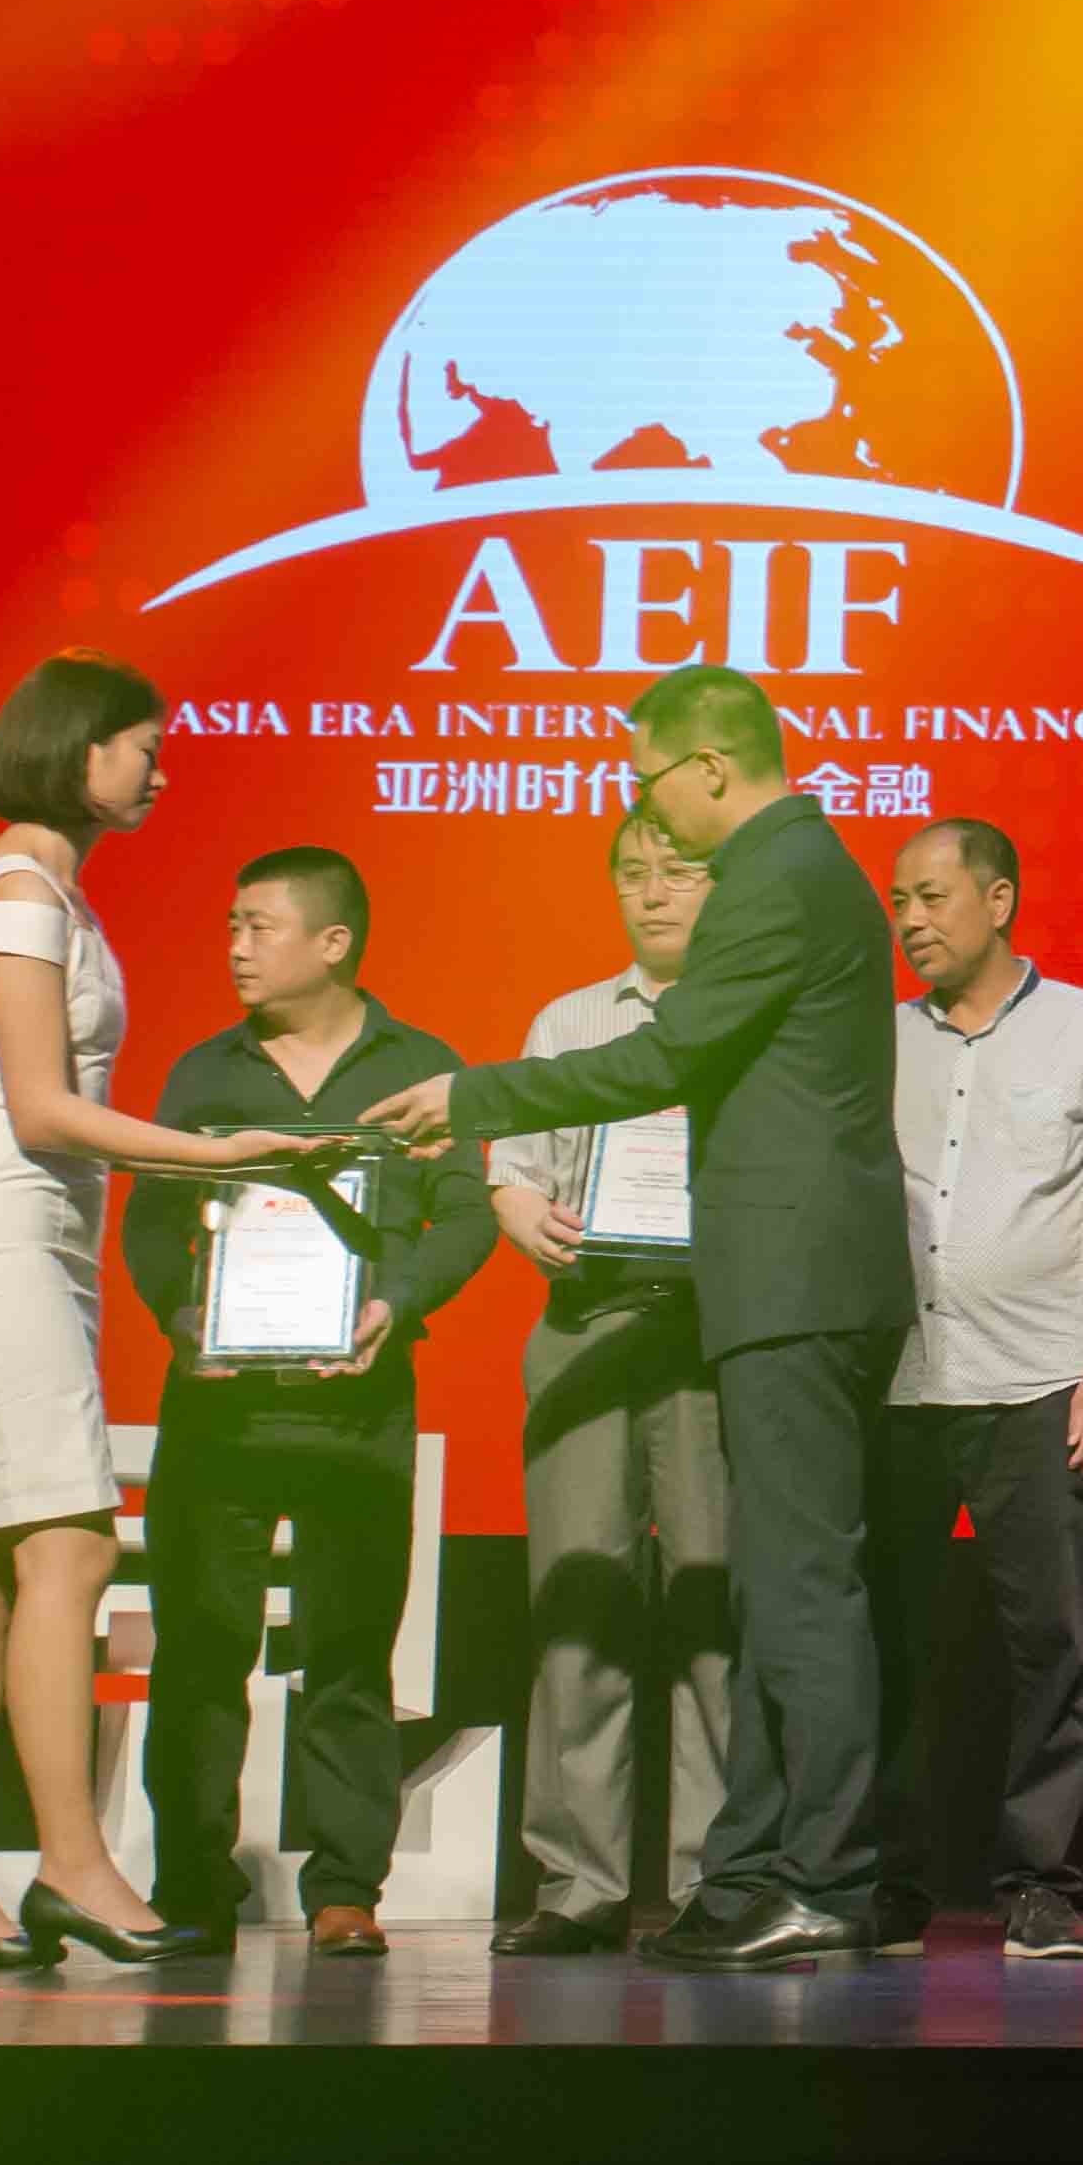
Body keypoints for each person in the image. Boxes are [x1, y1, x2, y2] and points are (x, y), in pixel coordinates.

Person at [372, 664, 919, 1972]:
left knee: (799, 1585)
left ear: (710, 767)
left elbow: (667, 1055)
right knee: (780, 1584)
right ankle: (754, 1869)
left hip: (795, 1278)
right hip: (785, 1275)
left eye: (648, 780)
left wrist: (477, 1096)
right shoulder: (800, 866)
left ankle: (824, 1877)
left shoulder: (775, 876)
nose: (647, 809)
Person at [0, 653, 323, 1971]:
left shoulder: (42, 888)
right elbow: (39, 1106)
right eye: (144, 745)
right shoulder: (21, 891)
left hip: (26, 1237)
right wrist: (217, 1154)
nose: (160, 769)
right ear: (80, 750)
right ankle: (70, 1863)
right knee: (69, 1548)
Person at [115, 848, 496, 1958]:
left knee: (350, 1654)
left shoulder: (420, 1067)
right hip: (219, 1407)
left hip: (359, 1407)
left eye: (259, 926)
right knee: (200, 1651)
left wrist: (396, 1301)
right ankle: (192, 1882)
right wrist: (181, 1318)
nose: (235, 946)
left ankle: (345, 1891)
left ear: (335, 942)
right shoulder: (205, 1074)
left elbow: (468, 1213)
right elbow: (151, 1221)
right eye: (230, 925)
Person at [873, 818, 1083, 1962]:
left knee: (1049, 1641)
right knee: (882, 1640)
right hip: (896, 1384)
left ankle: (1036, 1881)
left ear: (998, 900)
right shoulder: (879, 1036)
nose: (910, 920)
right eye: (899, 900)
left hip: (1042, 1381)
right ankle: (886, 1882)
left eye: (931, 896)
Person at [480, 806, 733, 1956]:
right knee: (580, 1598)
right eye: (633, 873)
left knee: (712, 1600)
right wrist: (518, 1207)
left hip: (708, 1331)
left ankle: (709, 1872)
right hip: (586, 1323)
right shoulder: (570, 1019)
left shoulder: (752, 1016)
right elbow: (513, 1161)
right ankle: (578, 1877)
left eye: (677, 871)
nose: (653, 890)